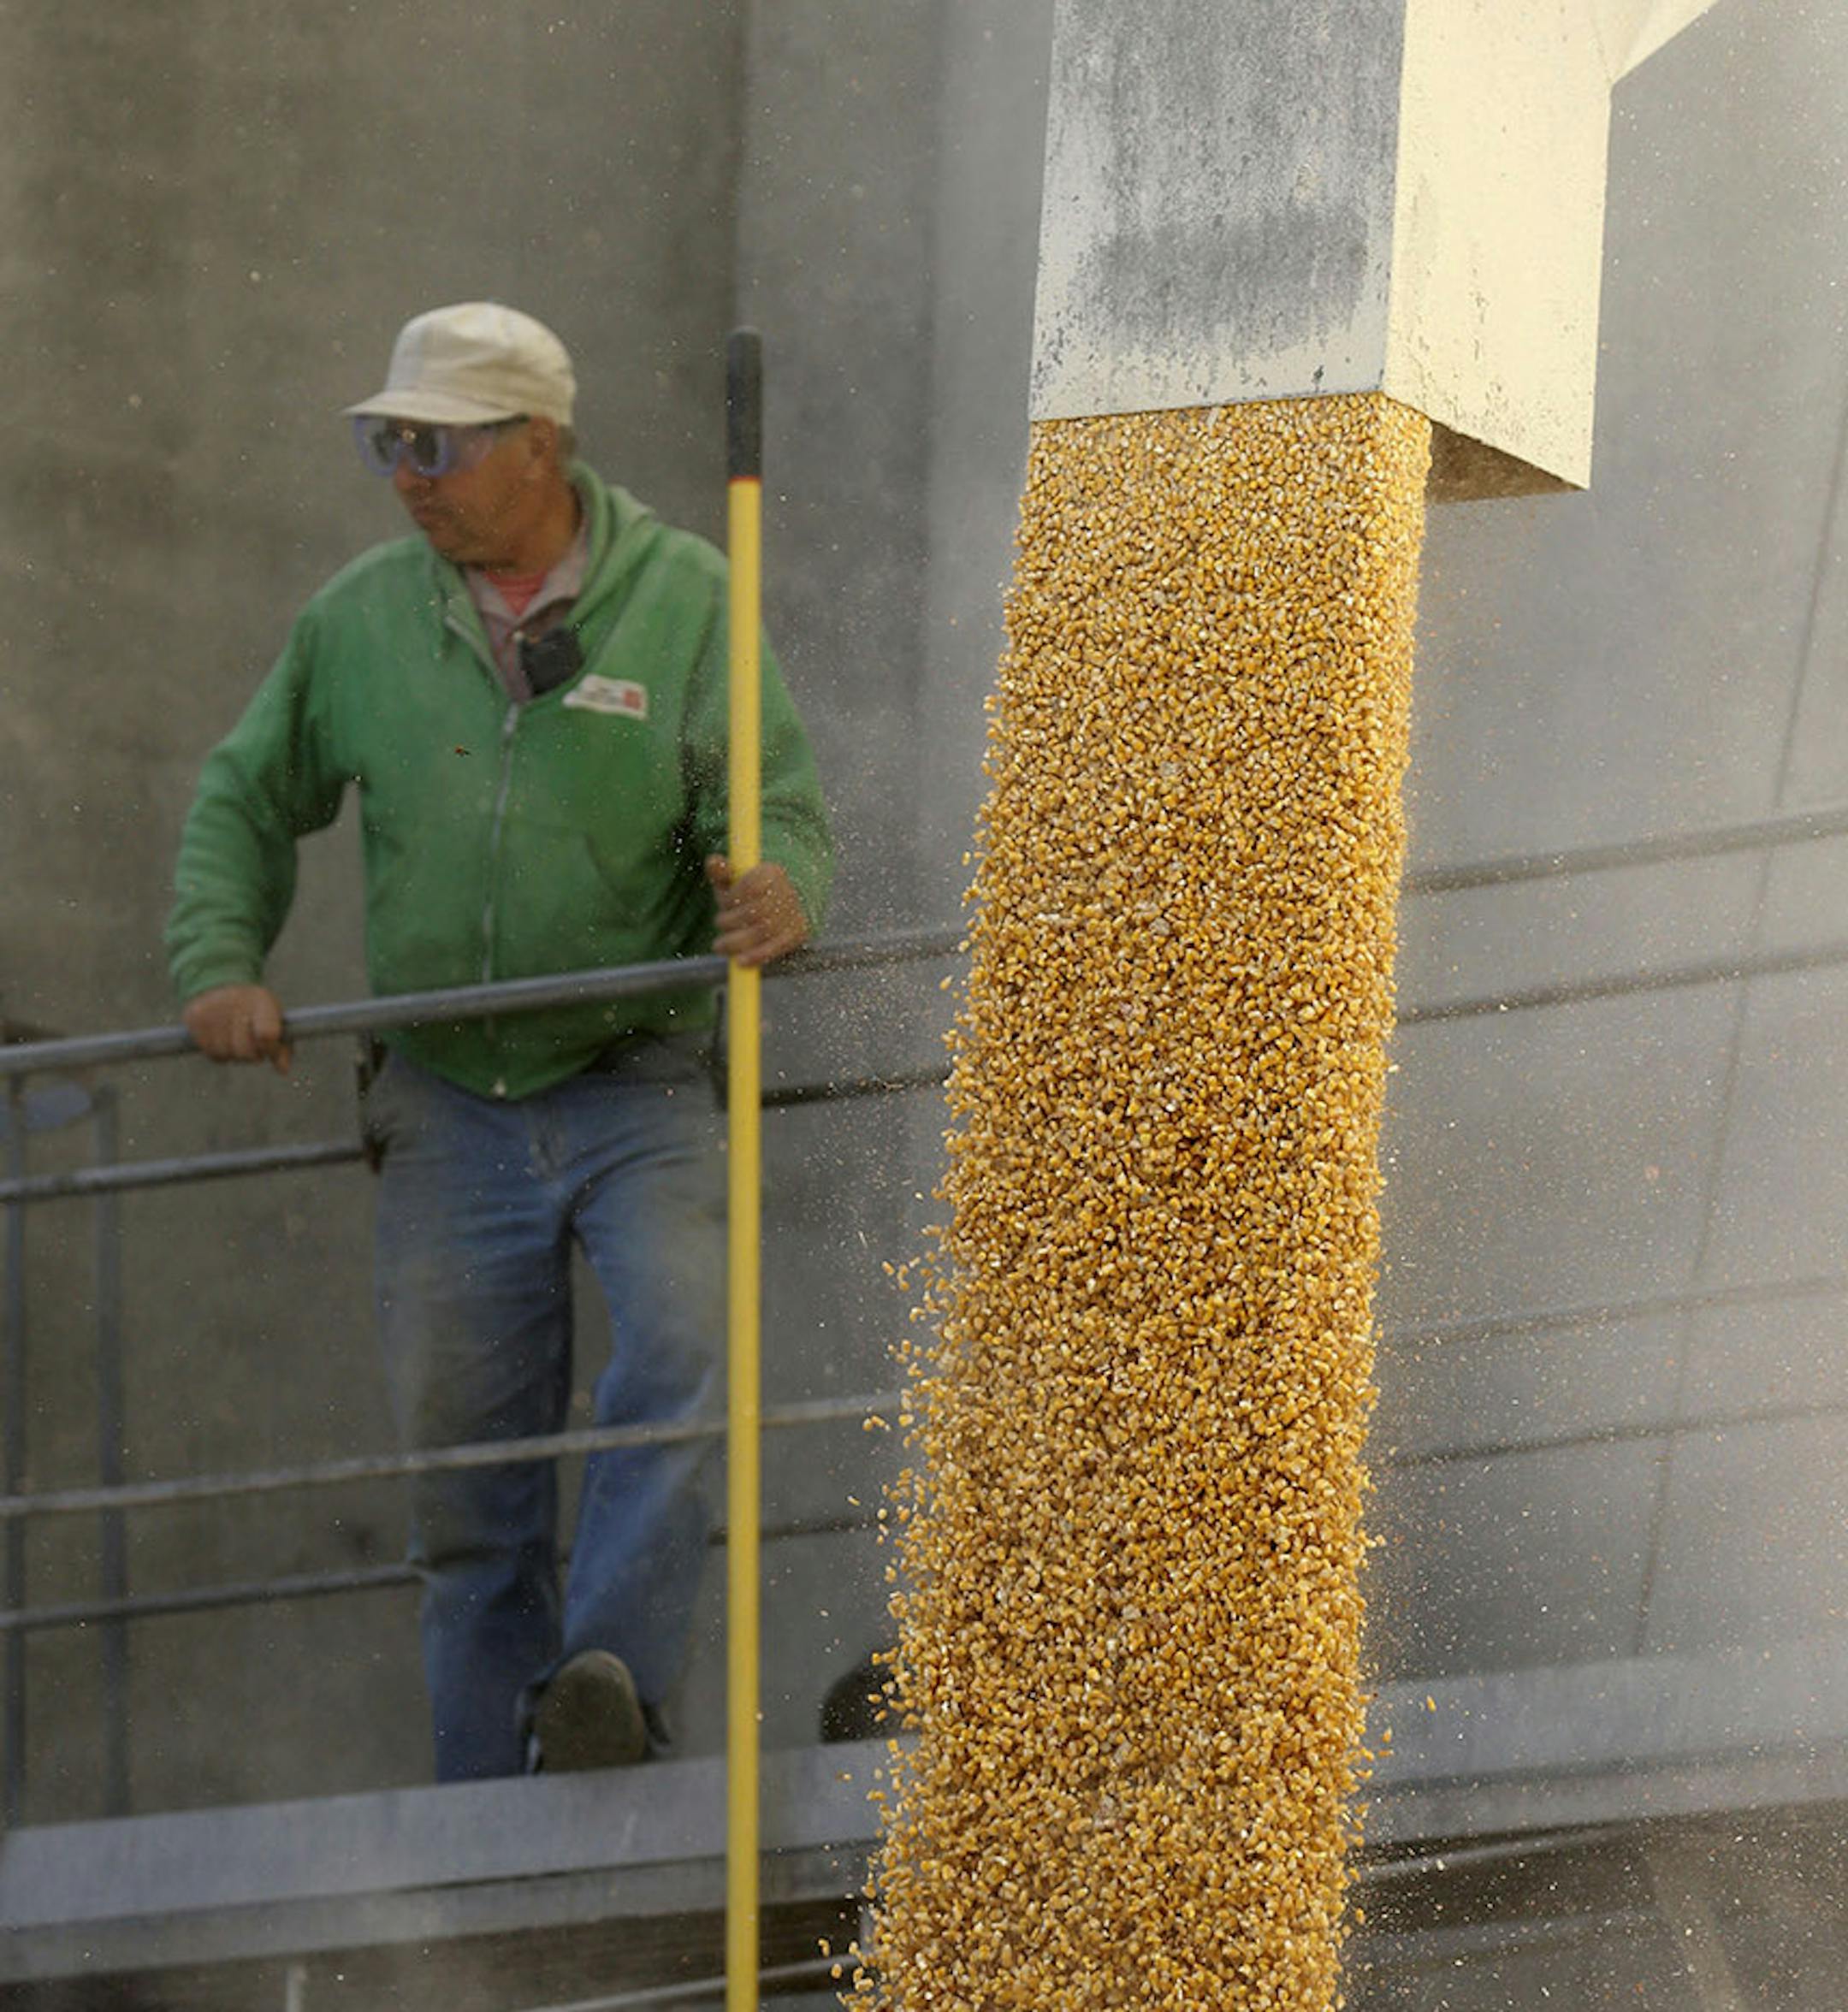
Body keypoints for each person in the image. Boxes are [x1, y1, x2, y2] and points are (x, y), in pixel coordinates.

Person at [164, 302, 833, 1781]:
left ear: (542, 445)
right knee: (469, 1483)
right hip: (447, 1100)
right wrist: (220, 961)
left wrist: (782, 889)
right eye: (383, 442)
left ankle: (602, 1695)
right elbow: (244, 798)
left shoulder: (688, 601)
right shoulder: (360, 620)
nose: (404, 473)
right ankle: (491, 1809)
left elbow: (772, 801)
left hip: (637, 1073)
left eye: (434, 443)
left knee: (678, 1354)